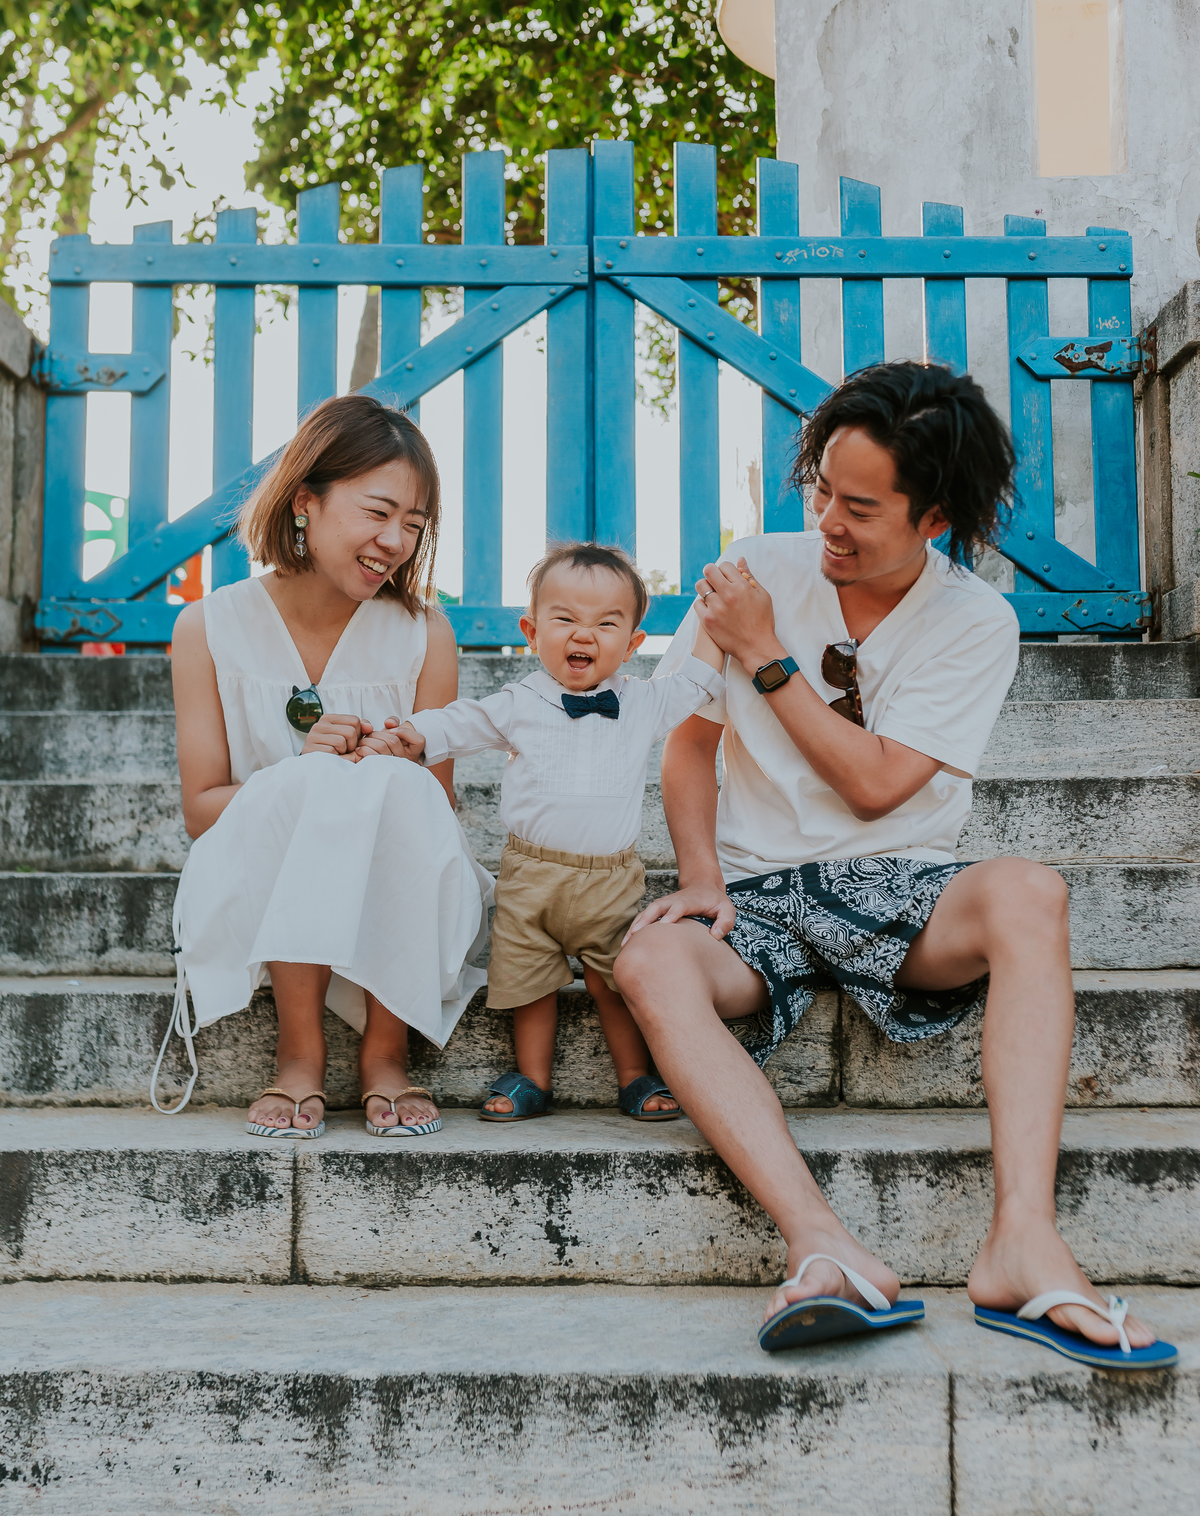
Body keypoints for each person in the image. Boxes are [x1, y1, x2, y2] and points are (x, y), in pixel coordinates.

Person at [614, 361, 1175, 1370]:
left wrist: (768, 656)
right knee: (649, 959)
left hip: (898, 887)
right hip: (755, 896)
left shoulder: (974, 623)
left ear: (933, 517)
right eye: (820, 486)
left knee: (1030, 891)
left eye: (859, 505)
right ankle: (824, 1243)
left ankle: (1023, 1239)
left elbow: (878, 786)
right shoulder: (754, 571)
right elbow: (688, 743)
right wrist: (699, 876)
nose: (827, 518)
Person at [155, 394, 492, 1142]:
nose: (396, 541)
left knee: (390, 784)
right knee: (307, 783)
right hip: (260, 870)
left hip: (392, 876)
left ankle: (386, 1050)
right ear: (306, 501)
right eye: (379, 513)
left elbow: (435, 812)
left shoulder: (423, 631)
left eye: (414, 524)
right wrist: (299, 771)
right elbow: (204, 809)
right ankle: (299, 1047)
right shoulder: (208, 627)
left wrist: (387, 761)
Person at [380, 542, 725, 1121]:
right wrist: (413, 734)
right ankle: (531, 1078)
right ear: (532, 630)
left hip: (610, 881)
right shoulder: (521, 700)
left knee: (616, 983)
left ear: (634, 643)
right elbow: (464, 722)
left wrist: (717, 614)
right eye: (564, 619)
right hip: (530, 875)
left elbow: (697, 679)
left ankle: (635, 1076)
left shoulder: (642, 701)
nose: (583, 635)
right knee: (528, 981)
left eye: (605, 623)